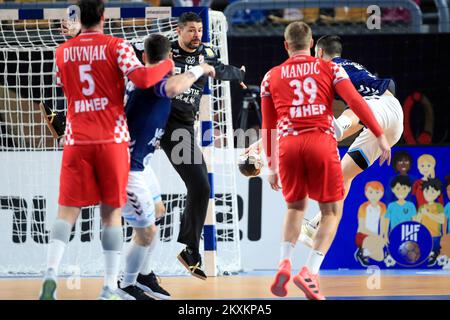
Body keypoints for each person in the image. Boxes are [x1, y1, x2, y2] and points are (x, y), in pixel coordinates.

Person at [39, 0, 174, 300]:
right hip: (111, 139)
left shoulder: (61, 52)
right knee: (111, 214)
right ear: (103, 16)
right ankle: (109, 288)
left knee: (66, 213)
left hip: (76, 139)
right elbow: (142, 79)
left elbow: (65, 85)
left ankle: (50, 273)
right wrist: (166, 64)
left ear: (80, 18)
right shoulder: (117, 46)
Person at [260, 22, 390, 300]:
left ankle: (284, 262)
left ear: (286, 45)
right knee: (331, 212)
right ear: (311, 46)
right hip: (320, 141)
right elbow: (356, 102)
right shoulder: (330, 68)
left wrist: (270, 167)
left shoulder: (270, 76)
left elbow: (268, 128)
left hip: (289, 145)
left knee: (295, 208)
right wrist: (379, 134)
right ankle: (310, 271)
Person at [117, 34, 215, 299]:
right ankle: (125, 284)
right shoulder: (154, 79)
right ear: (170, 58)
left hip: (141, 163)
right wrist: (200, 68)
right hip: (128, 167)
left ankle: (145, 275)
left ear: (144, 56)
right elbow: (172, 89)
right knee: (146, 230)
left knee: (158, 212)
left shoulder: (143, 75)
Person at [158, 12, 245, 280]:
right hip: (156, 117)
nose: (197, 35)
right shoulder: (166, 51)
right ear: (179, 31)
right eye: (191, 31)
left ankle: (189, 250)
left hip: (180, 130)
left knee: (200, 186)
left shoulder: (206, 53)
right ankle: (65, 118)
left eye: (199, 30)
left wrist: (238, 74)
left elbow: (220, 68)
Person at [295, 34, 404, 247]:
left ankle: (338, 128)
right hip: (391, 124)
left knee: (356, 104)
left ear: (319, 53)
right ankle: (315, 225)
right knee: (343, 175)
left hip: (379, 108)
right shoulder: (355, 67)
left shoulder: (331, 66)